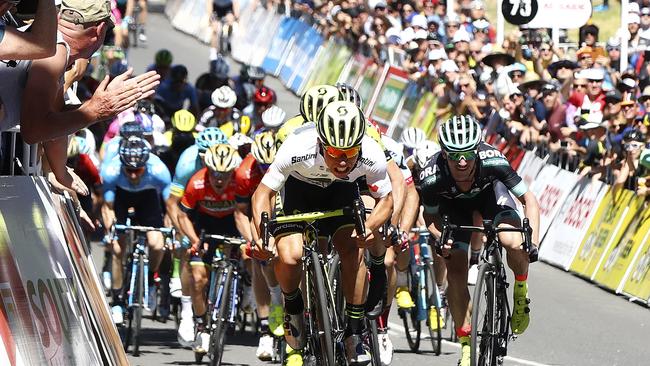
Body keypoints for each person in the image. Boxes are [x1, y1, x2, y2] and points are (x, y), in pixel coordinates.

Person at [252, 101, 394, 365]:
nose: (342, 161)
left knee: (353, 248)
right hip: (299, 193)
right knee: (290, 256)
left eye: (350, 152)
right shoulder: (296, 147)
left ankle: (354, 330)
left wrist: (371, 227)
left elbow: (386, 200)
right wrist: (262, 237)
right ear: (320, 143)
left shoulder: (371, 154)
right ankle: (293, 305)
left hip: (341, 193)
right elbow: (263, 194)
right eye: (335, 151)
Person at [419, 115, 540, 366]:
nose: (462, 161)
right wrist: (441, 237)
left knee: (513, 242)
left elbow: (530, 200)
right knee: (455, 271)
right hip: (453, 210)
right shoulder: (431, 175)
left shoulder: (493, 160)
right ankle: (466, 346)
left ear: (477, 150)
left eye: (468, 154)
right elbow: (429, 215)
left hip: (491, 198)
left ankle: (520, 291)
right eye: (454, 155)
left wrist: (533, 242)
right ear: (443, 154)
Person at [177, 143, 250, 355]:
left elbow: (247, 213)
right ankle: (201, 327)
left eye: (225, 174)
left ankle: (247, 287)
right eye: (215, 173)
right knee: (198, 278)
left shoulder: (239, 182)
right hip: (204, 227)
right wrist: (194, 240)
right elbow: (183, 215)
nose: (219, 179)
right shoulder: (197, 182)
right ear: (207, 170)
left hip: (232, 224)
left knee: (248, 254)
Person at [165, 127, 228, 346]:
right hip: (193, 207)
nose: (207, 157)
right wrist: (183, 233)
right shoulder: (187, 164)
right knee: (186, 246)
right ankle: (186, 312)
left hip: (222, 211)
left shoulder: (229, 163)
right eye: (203, 153)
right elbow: (173, 205)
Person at [101, 136, 172, 324]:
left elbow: (171, 206)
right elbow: (107, 207)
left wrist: (170, 227)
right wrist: (112, 229)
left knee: (158, 245)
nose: (133, 175)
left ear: (146, 165)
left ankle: (148, 280)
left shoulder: (159, 170)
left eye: (138, 170)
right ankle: (117, 301)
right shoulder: (111, 171)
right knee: (117, 248)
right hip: (121, 198)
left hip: (148, 198)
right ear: (122, 164)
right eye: (129, 170)